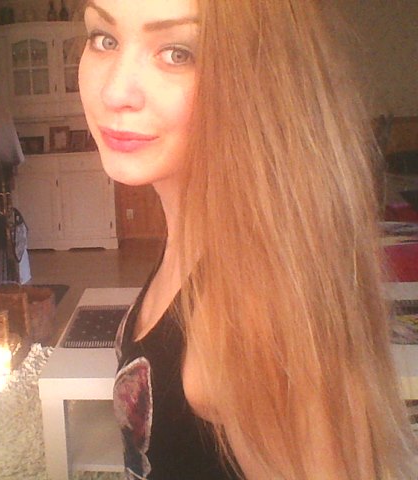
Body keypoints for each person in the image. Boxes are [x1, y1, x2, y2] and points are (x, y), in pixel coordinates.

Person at [77, 0, 418, 478]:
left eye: (177, 53)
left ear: (262, 79)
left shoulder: (251, 304)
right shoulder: (199, 235)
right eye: (104, 39)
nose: (114, 92)